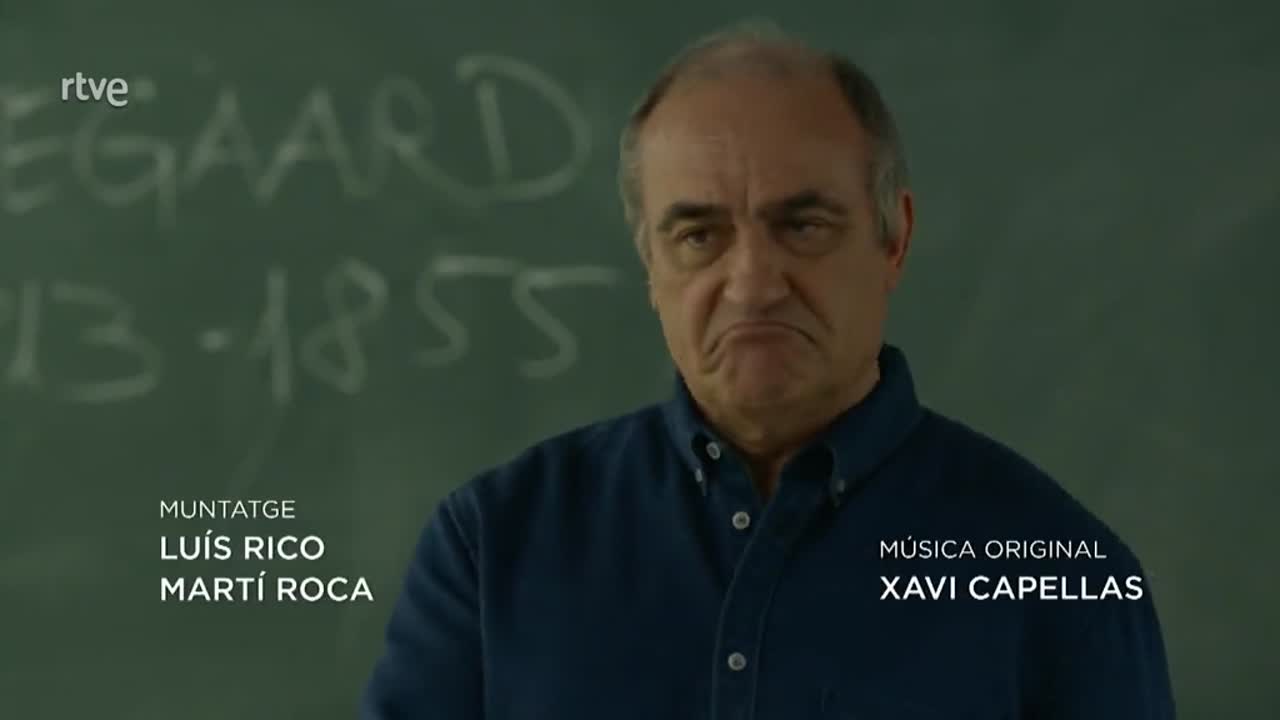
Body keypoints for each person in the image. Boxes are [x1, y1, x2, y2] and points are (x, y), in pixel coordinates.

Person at [360, 22, 1176, 720]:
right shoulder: (492, 549)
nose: (752, 282)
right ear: (650, 263)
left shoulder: (1060, 575)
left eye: (803, 225)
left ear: (894, 238)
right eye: (699, 236)